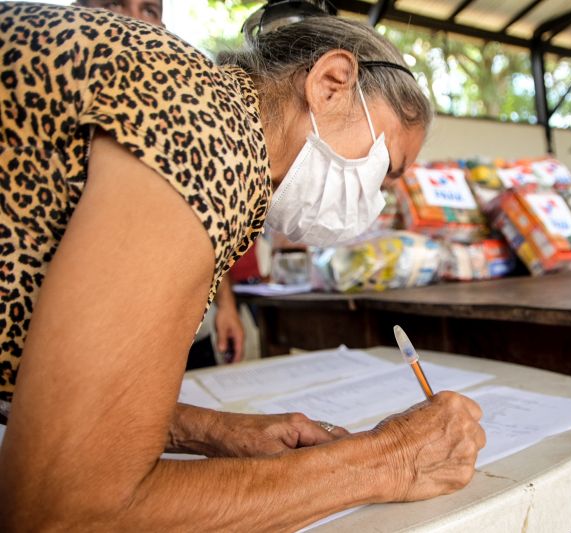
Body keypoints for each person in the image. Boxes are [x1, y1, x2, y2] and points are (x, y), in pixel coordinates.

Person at [0, 2, 485, 531]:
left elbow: (42, 396)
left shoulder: (218, 133)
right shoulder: (203, 122)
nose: (372, 203)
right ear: (331, 83)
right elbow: (63, 508)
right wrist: (390, 459)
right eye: (384, 170)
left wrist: (208, 431)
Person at [74, 0, 248, 367]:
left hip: (183, 334)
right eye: (114, 4)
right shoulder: (46, 107)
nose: (136, 21)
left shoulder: (184, 116)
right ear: (79, 12)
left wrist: (225, 307)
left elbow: (209, 223)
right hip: (94, 343)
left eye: (149, 10)